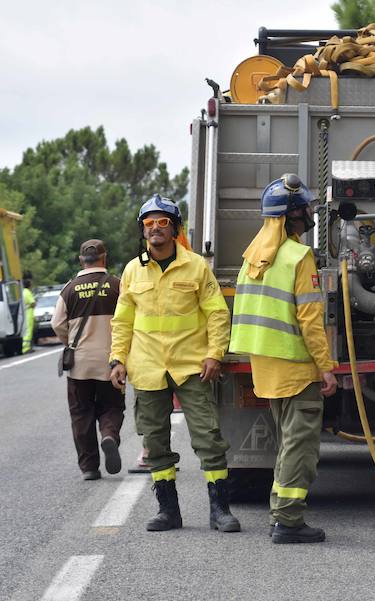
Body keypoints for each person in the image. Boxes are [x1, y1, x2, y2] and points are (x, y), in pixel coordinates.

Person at [109, 194, 240, 533]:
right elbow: (122, 321)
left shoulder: (196, 266)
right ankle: (168, 511)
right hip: (147, 367)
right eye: (149, 223)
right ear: (142, 230)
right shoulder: (131, 271)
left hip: (192, 367)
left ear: (175, 228)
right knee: (155, 440)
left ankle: (220, 510)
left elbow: (216, 313)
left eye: (163, 222)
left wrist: (215, 354)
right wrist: (117, 359)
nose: (155, 229)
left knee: (209, 438)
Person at [229, 174, 337, 544]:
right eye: (305, 209)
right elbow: (310, 321)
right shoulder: (297, 256)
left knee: (285, 441)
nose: (310, 215)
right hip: (295, 365)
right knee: (300, 445)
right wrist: (326, 367)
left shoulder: (252, 257)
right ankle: (289, 521)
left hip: (266, 365)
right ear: (290, 217)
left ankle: (280, 512)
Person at [51, 240, 124, 480]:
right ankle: (109, 435)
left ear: (82, 260)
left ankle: (89, 467)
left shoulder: (70, 288)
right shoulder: (116, 285)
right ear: (104, 257)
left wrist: (70, 341)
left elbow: (57, 323)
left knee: (81, 413)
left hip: (80, 364)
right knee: (112, 406)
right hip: (112, 363)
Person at [22, 273, 35, 353]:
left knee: (26, 330)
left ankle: (26, 347)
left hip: (25, 313)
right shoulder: (27, 292)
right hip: (29, 313)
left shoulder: (23, 291)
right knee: (28, 331)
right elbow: (32, 302)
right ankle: (26, 348)